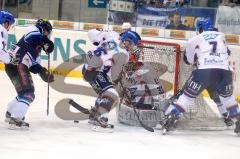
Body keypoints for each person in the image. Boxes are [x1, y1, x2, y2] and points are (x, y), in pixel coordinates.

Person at [161, 19, 240, 135]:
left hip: (204, 72)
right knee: (228, 99)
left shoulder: (195, 39)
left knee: (187, 97)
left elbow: (189, 60)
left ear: (200, 29)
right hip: (224, 72)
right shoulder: (221, 36)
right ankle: (237, 119)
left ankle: (172, 118)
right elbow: (227, 53)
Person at [82, 29, 139, 129]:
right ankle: (101, 119)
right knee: (112, 93)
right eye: (133, 44)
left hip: (87, 67)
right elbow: (114, 76)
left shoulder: (112, 34)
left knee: (106, 92)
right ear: (127, 41)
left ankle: (95, 115)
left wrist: (101, 34)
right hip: (96, 71)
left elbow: (91, 33)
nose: (133, 47)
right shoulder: (124, 54)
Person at [5, 19, 55, 129]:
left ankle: (10, 114)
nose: (48, 35)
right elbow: (32, 36)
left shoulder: (37, 51)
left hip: (14, 65)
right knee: (28, 94)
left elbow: (33, 66)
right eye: (48, 32)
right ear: (45, 29)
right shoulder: (34, 29)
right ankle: (16, 118)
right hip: (18, 63)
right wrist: (45, 41)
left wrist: (43, 72)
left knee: (23, 92)